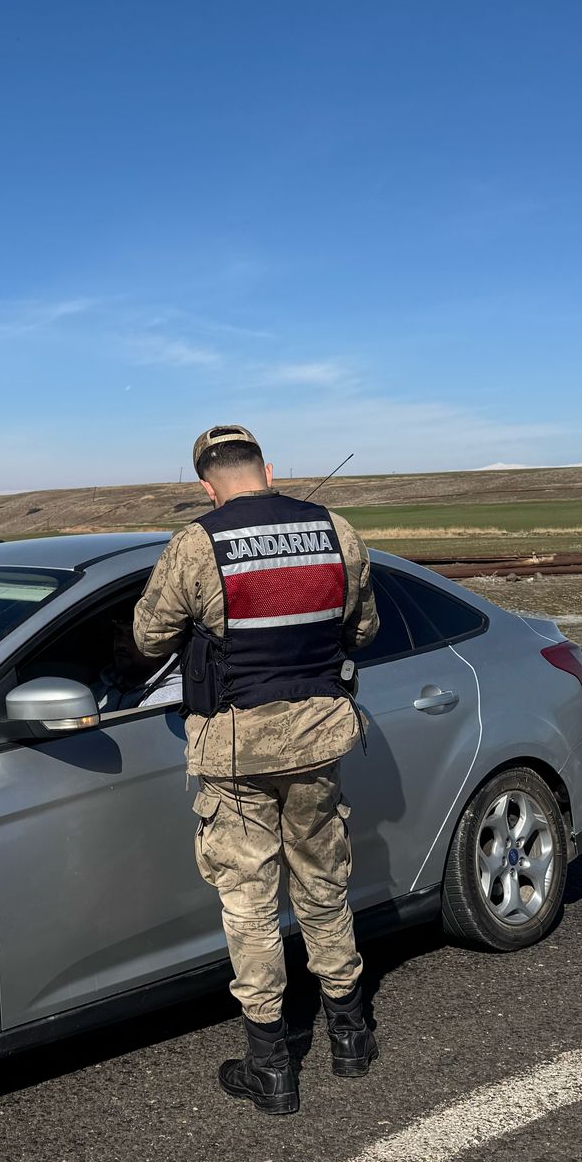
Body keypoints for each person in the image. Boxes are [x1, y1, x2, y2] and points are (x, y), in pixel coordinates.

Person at [132, 424, 382, 1115]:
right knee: (324, 887)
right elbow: (363, 631)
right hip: (317, 737)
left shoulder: (195, 544)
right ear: (268, 470)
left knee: (249, 904)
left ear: (206, 486)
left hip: (237, 751)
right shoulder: (337, 531)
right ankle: (351, 1037)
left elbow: (146, 636)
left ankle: (272, 1066)